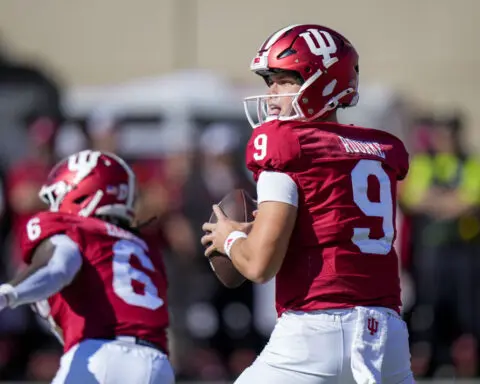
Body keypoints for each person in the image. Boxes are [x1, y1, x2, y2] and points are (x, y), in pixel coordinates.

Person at [201, 24, 413, 383]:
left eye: (284, 80)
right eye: (269, 81)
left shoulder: (285, 144)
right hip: (386, 335)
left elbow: (259, 265)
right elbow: (332, 218)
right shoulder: (379, 149)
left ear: (324, 83)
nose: (271, 93)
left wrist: (230, 238)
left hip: (317, 330)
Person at [0, 150, 175, 384]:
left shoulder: (76, 231)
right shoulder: (144, 249)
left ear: (80, 192)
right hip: (158, 364)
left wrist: (7, 294)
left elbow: (57, 268)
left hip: (102, 356)